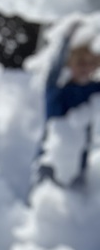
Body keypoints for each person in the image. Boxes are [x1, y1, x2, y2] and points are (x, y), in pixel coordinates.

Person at [34, 20, 100, 188]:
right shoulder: (57, 91)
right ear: (70, 63)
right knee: (45, 201)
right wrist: (66, 38)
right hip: (50, 157)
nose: (86, 68)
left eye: (91, 63)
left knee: (74, 205)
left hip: (79, 161)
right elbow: (54, 69)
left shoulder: (94, 90)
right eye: (80, 63)